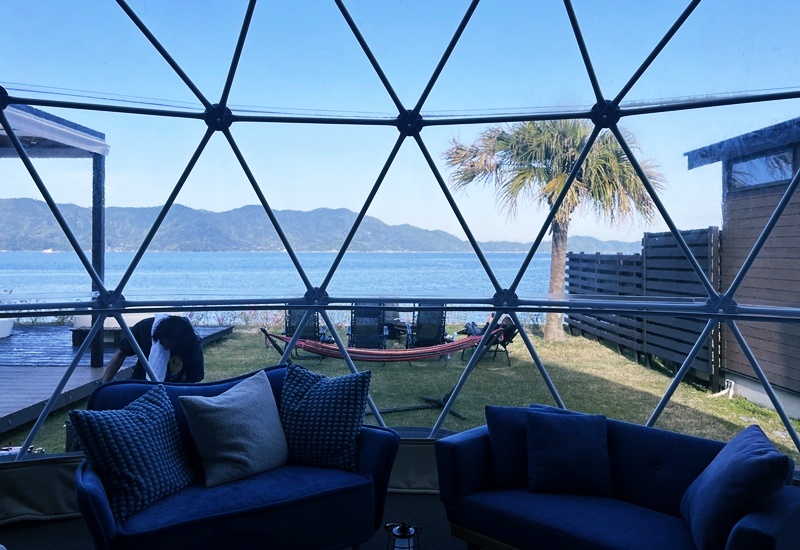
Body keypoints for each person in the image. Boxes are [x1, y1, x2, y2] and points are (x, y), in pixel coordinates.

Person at [101, 315, 204, 383]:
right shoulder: (144, 328)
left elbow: (195, 377)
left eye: (170, 346)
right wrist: (103, 384)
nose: (166, 348)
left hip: (175, 387)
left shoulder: (191, 344)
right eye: (163, 344)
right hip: (141, 382)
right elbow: (121, 354)